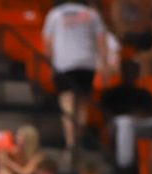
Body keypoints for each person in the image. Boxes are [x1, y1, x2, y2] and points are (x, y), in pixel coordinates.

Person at [41, 0, 107, 154]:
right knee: (82, 105)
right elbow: (101, 41)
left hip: (64, 64)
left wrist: (49, 64)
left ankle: (70, 143)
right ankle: (79, 138)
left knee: (67, 103)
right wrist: (103, 64)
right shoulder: (92, 14)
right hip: (87, 64)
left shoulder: (55, 14)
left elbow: (47, 43)